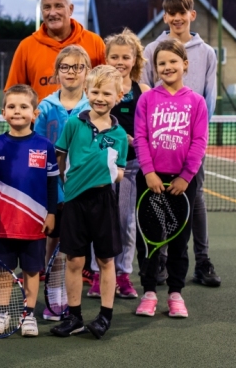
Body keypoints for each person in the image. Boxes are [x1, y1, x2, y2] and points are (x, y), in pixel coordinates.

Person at [140, 0, 221, 287]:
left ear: (191, 15)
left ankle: (203, 262)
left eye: (181, 12)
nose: (176, 17)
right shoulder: (151, 49)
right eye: (170, 12)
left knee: (195, 198)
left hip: (190, 146)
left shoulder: (207, 53)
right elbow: (146, 90)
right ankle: (159, 262)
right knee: (157, 200)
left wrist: (196, 135)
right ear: (164, 17)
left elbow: (208, 98)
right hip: (159, 142)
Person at [50, 65, 128, 340]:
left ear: (118, 96)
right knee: (74, 260)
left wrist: (112, 172)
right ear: (87, 91)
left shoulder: (120, 135)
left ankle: (105, 317)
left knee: (106, 259)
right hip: (74, 201)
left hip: (103, 201)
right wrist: (65, 190)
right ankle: (74, 317)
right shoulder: (73, 124)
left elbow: (118, 172)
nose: (100, 97)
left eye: (107, 93)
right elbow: (60, 159)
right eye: (95, 91)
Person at [133, 39, 208, 318]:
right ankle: (149, 291)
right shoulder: (147, 99)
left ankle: (175, 293)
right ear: (155, 69)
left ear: (185, 65)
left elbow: (199, 141)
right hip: (150, 180)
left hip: (182, 184)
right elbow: (140, 137)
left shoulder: (196, 101)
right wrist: (149, 172)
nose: (167, 67)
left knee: (179, 239)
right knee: (149, 239)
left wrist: (186, 177)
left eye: (173, 62)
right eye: (161, 63)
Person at [0, 84, 58, 336]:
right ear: (3, 112)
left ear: (34, 113)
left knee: (32, 270)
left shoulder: (45, 146)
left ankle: (28, 315)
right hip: (3, 224)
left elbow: (52, 183)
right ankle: (2, 311)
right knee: (4, 271)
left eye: (24, 107)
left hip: (34, 223)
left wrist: (51, 213)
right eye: (11, 106)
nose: (17, 111)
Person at [86, 29, 150, 300]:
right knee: (98, 220)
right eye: (114, 56)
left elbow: (147, 131)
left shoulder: (143, 91)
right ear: (106, 58)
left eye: (126, 56)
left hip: (131, 168)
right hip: (98, 167)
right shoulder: (99, 91)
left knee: (125, 221)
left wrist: (133, 141)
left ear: (135, 60)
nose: (120, 61)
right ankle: (98, 273)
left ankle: (123, 274)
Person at [34, 45, 92, 321]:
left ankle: (71, 301)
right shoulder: (45, 107)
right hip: (52, 189)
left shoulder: (92, 107)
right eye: (66, 67)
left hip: (81, 189)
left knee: (75, 249)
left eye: (78, 67)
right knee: (52, 242)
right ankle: (53, 296)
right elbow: (36, 147)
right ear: (57, 71)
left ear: (86, 72)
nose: (71, 72)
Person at [5, 0, 105, 103]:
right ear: (42, 12)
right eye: (47, 7)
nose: (52, 13)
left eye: (58, 6)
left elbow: (108, 86)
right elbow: (13, 93)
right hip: (40, 121)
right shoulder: (26, 46)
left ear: (71, 9)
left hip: (83, 120)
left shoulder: (94, 42)